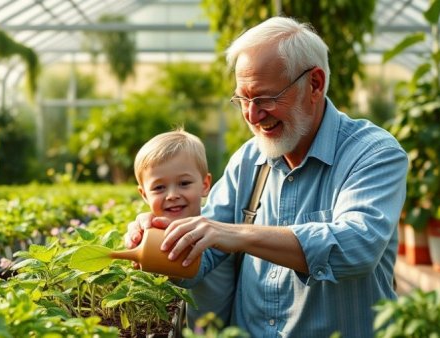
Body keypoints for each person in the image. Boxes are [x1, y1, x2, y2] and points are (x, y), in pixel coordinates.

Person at [125, 16, 408, 338]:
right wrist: (156, 239)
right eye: (242, 99)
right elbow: (203, 260)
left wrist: (240, 234)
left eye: (265, 98)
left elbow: (357, 248)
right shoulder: (249, 159)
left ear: (314, 84)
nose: (252, 115)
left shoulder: (372, 153)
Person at [133, 129, 232, 328]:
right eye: (159, 188)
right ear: (144, 195)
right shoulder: (154, 232)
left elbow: (191, 272)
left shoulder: (218, 231)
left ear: (205, 185)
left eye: (184, 183)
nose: (172, 195)